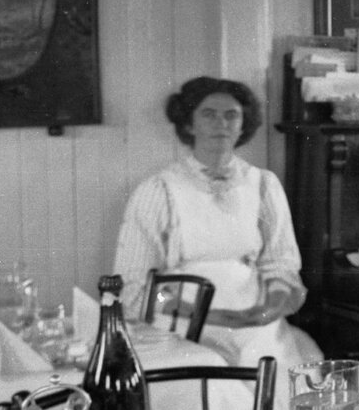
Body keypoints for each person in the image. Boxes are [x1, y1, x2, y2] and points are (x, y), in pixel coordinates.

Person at [113, 76, 324, 375]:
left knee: (275, 374)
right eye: (208, 114)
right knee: (209, 382)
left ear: (243, 124)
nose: (221, 124)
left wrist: (267, 310)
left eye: (231, 115)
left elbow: (281, 264)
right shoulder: (158, 190)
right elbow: (133, 285)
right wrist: (208, 317)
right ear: (188, 124)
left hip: (254, 321)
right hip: (180, 323)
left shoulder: (263, 185)